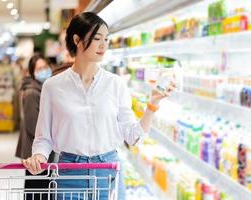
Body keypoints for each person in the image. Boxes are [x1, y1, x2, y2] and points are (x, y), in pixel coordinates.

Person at [23, 12, 175, 200]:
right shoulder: (53, 87)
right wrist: (39, 156)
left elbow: (133, 136)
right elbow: (43, 137)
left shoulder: (115, 84)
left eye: (106, 39)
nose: (104, 45)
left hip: (108, 172)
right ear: (77, 40)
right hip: (69, 173)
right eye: (97, 38)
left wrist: (152, 105)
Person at [15, 54, 52, 200]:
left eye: (46, 67)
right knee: (37, 189)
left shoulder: (43, 88)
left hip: (38, 150)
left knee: (39, 188)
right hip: (34, 151)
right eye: (40, 68)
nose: (44, 70)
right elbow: (32, 125)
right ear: (32, 72)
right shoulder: (32, 92)